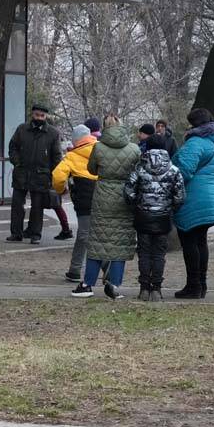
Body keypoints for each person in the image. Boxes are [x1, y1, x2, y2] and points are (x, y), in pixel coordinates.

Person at [70, 117, 138, 300]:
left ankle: (87, 284)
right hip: (124, 197)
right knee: (120, 244)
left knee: (97, 243)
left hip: (102, 197)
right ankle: (114, 285)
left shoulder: (98, 147)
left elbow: (92, 169)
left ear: (105, 127)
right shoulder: (134, 149)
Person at [124, 134, 186, 301]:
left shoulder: (139, 168)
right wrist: (171, 208)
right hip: (163, 217)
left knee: (144, 253)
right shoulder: (173, 170)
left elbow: (128, 191)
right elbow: (180, 196)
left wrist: (136, 205)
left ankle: (144, 288)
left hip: (143, 216)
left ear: (147, 147)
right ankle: (156, 289)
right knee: (159, 254)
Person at [172, 108, 214, 299]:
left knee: (189, 242)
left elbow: (183, 171)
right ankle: (201, 284)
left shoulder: (195, 142)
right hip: (210, 197)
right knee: (200, 241)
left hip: (194, 198)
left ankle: (193, 286)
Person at [7, 104, 62, 244]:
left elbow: (56, 156)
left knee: (37, 206)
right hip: (22, 172)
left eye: (42, 116)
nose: (39, 118)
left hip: (41, 175)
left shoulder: (53, 133)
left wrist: (53, 175)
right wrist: (16, 162)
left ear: (46, 116)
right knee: (17, 205)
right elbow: (13, 147)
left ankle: (35, 235)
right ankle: (16, 233)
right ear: (32, 114)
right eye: (37, 115)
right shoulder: (22, 129)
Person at [53, 124, 99, 282]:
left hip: (84, 197)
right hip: (103, 196)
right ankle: (108, 271)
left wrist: (61, 190)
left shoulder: (71, 156)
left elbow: (58, 177)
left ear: (75, 140)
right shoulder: (100, 150)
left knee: (83, 235)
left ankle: (75, 270)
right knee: (101, 235)